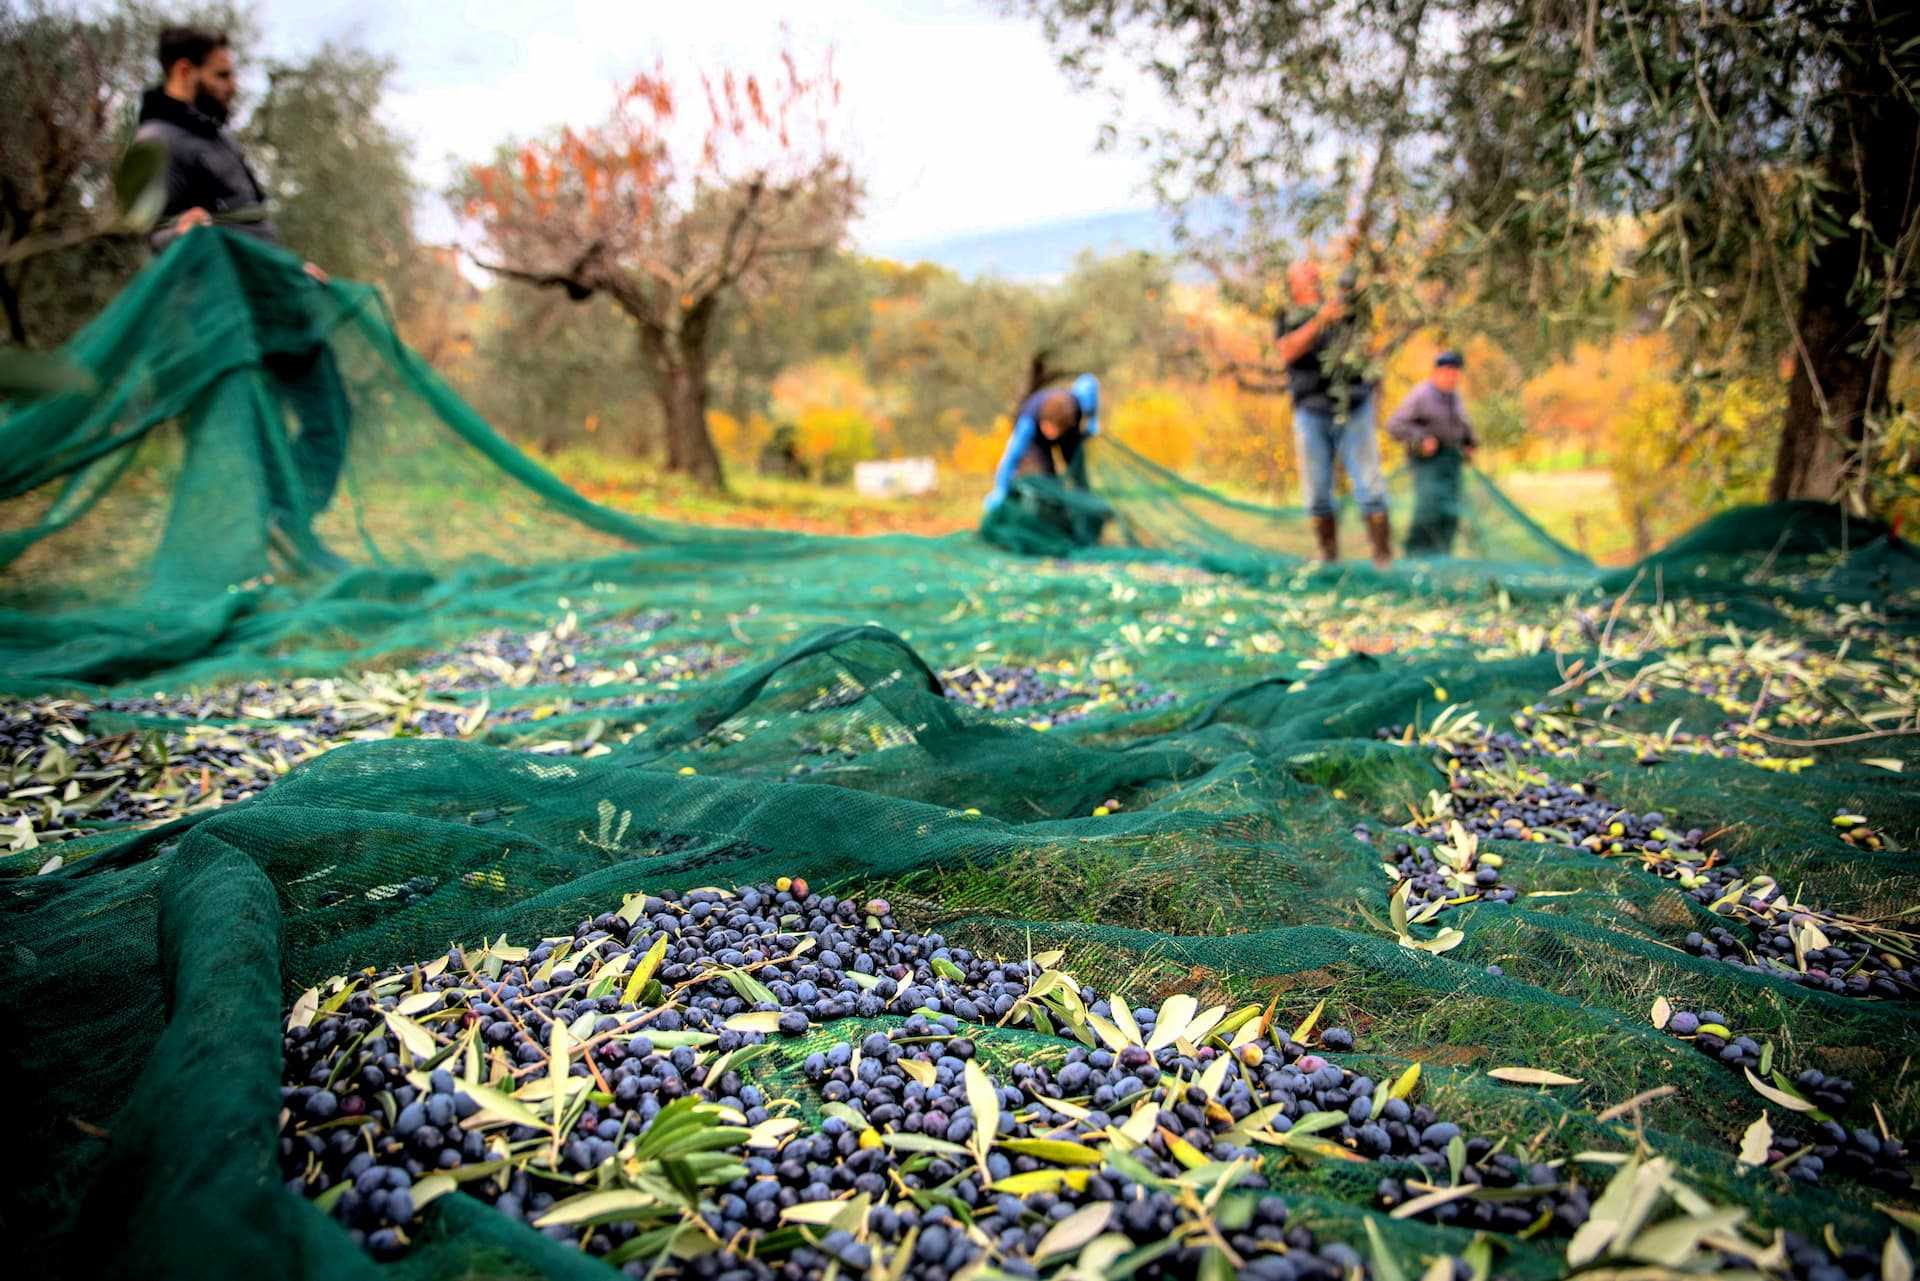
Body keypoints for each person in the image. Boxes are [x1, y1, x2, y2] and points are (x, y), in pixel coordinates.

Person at [135, 25, 349, 550]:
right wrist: (175, 233)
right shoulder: (157, 143)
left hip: (279, 306)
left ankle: (288, 520)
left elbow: (244, 227)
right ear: (185, 71)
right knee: (262, 437)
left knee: (332, 415)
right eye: (223, 75)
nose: (234, 85)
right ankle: (274, 532)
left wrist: (292, 268)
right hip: (237, 321)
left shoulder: (213, 137)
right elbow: (154, 232)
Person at [1274, 257, 1391, 568]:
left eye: (1313, 269)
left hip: (1353, 404)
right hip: (1311, 409)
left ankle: (1382, 558)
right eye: (1302, 271)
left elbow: (1367, 342)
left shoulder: (1343, 307)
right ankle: (1328, 557)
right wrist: (1320, 321)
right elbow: (1286, 350)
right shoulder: (1288, 316)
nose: (1311, 273)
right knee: (1316, 492)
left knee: (1369, 485)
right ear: (1293, 281)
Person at [1386, 350, 1477, 557]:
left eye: (1455, 372)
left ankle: (1442, 555)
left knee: (1451, 511)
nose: (1452, 376)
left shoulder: (1454, 397)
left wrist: (1470, 442)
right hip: (1427, 462)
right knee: (1428, 510)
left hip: (1452, 461)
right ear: (1436, 372)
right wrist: (1421, 438)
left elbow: (1462, 426)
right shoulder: (1421, 395)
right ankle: (1415, 555)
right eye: (1447, 371)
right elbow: (1395, 425)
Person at [983, 373, 1101, 512]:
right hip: (1037, 440)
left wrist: (1092, 422)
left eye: (1054, 431)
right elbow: (1012, 455)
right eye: (1048, 429)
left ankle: (1083, 504)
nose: (1051, 435)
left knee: (1075, 464)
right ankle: (1048, 509)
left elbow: (1089, 390)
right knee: (1045, 475)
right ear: (1043, 422)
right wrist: (1000, 487)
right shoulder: (1029, 422)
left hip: (1067, 431)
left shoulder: (1075, 407)